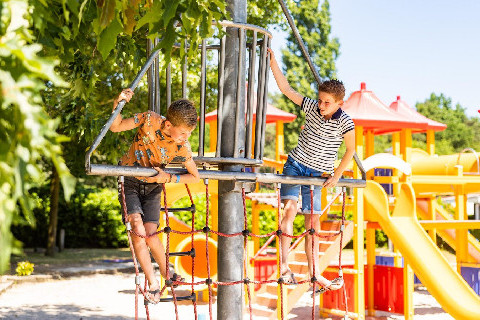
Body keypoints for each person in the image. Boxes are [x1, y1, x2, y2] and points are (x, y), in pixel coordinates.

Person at [268, 49, 355, 292]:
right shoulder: (311, 107)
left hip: (318, 176)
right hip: (296, 166)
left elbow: (350, 150)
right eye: (320, 100)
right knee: (289, 211)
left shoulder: (346, 122)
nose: (322, 105)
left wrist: (337, 175)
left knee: (313, 224)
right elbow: (286, 89)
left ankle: (315, 275)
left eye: (327, 102)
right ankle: (284, 268)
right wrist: (273, 63)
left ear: (339, 103)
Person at [111, 88, 200, 303]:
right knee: (138, 230)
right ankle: (152, 283)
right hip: (130, 181)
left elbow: (194, 176)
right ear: (168, 124)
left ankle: (166, 272)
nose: (186, 138)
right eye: (183, 133)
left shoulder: (182, 146)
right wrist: (117, 103)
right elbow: (115, 127)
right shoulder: (148, 120)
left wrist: (169, 178)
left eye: (189, 133)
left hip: (153, 187)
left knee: (151, 234)